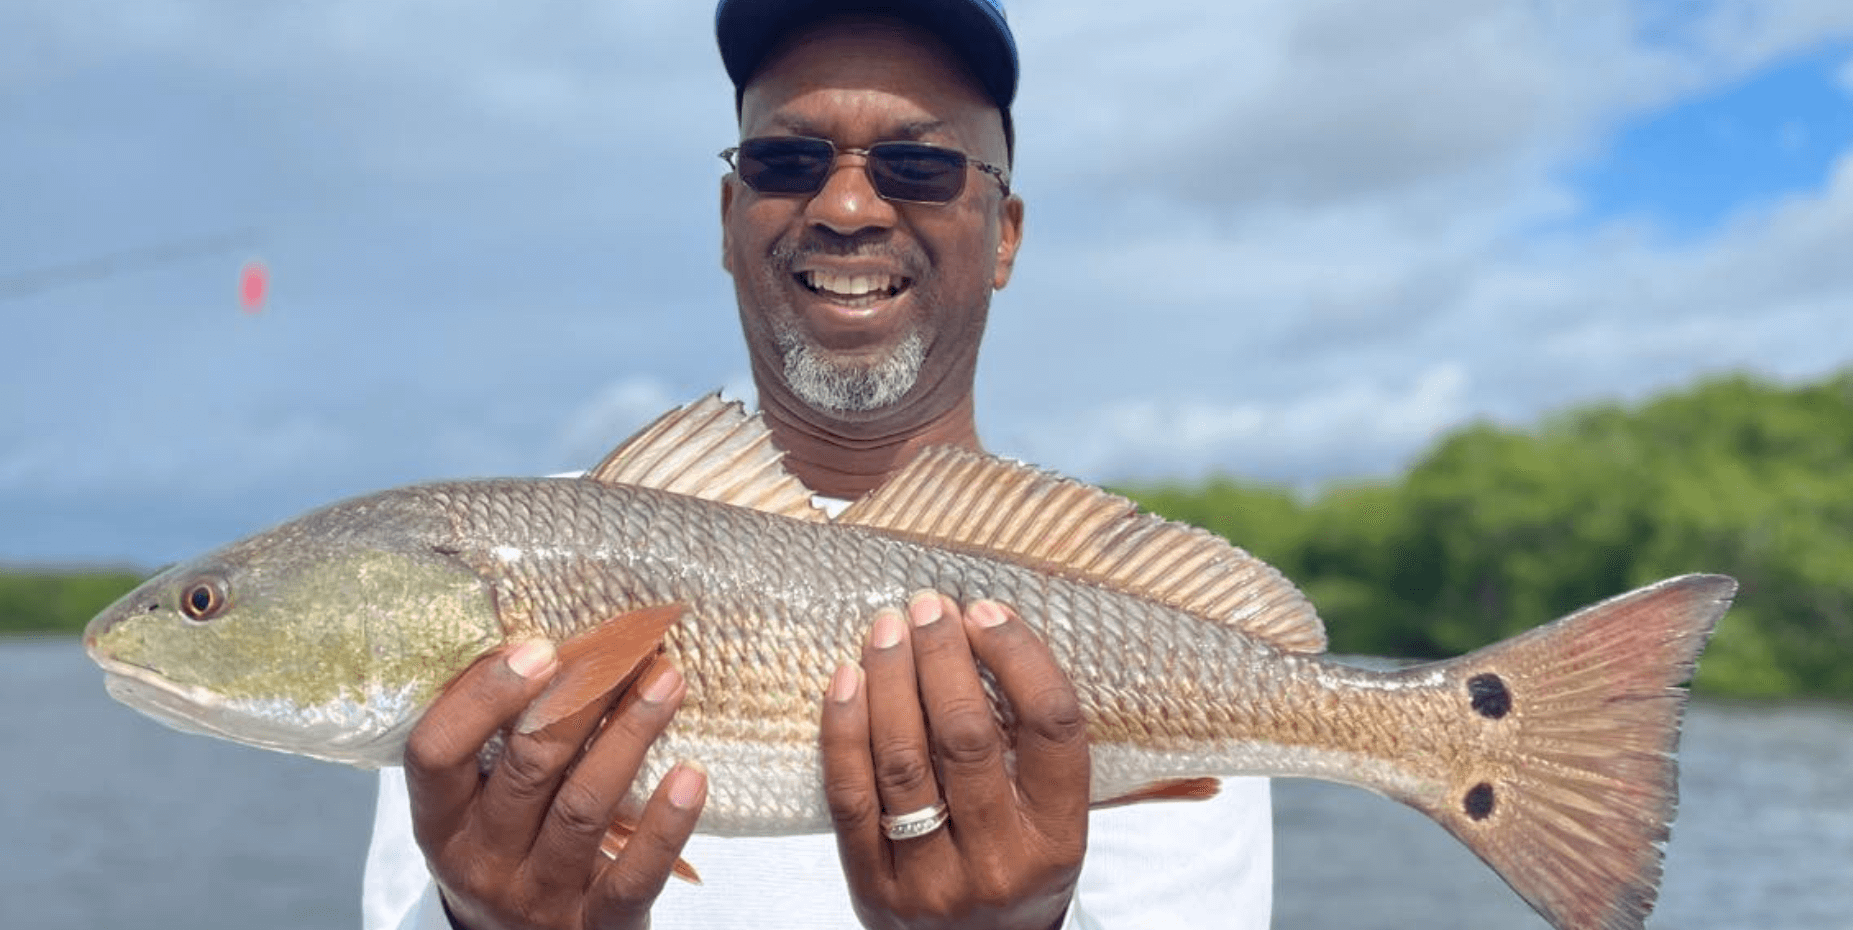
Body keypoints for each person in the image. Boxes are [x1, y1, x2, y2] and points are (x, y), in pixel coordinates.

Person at [362, 2, 1274, 928]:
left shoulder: (1160, 634)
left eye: (919, 166)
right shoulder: (507, 580)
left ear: (1006, 233)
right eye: (786, 163)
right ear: (729, 218)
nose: (845, 208)